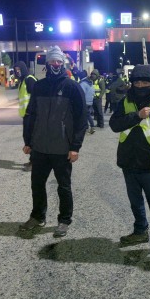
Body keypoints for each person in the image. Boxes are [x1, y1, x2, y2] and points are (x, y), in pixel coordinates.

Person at [20, 45, 88, 238]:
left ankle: (64, 220)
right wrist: (28, 141)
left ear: (63, 63)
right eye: (52, 61)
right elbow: (31, 115)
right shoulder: (39, 87)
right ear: (47, 63)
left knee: (63, 186)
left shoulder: (72, 87)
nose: (56, 64)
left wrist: (75, 147)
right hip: (40, 147)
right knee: (37, 184)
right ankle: (37, 216)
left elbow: (81, 119)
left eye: (59, 61)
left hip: (62, 148)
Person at [109, 64, 150, 259]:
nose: (141, 85)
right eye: (137, 82)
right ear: (132, 83)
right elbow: (114, 125)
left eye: (145, 82)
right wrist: (137, 115)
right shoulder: (125, 101)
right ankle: (140, 231)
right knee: (135, 202)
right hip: (128, 163)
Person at [15, 61, 37, 172]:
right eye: (16, 70)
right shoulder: (22, 81)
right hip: (26, 115)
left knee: (32, 138)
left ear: (23, 68)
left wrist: (31, 110)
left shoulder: (29, 79)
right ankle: (32, 160)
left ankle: (35, 163)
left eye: (19, 69)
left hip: (32, 115)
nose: (17, 71)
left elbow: (36, 96)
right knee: (27, 138)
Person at [78, 70, 96, 134]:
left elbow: (81, 94)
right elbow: (93, 91)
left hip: (84, 101)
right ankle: (86, 127)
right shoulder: (90, 82)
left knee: (86, 115)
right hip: (89, 101)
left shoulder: (83, 83)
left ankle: (92, 127)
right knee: (86, 114)